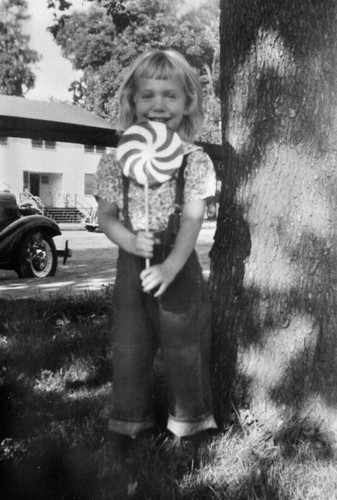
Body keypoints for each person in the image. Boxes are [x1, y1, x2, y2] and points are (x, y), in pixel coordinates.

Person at [94, 49, 217, 469]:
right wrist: (129, 241)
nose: (158, 105)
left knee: (185, 349)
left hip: (178, 267)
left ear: (187, 104)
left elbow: (193, 219)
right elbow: (106, 216)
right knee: (129, 348)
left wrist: (170, 265)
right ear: (132, 102)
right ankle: (128, 425)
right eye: (147, 96)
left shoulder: (194, 161)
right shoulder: (116, 160)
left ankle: (190, 427)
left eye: (170, 95)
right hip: (133, 267)